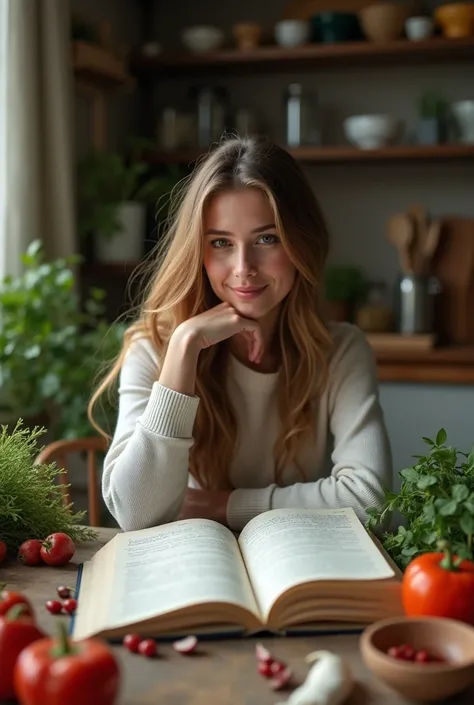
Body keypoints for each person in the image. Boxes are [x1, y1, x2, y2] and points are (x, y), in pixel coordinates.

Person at [88, 135, 393, 534]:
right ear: (198, 251)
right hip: (192, 566)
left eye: (267, 239)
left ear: (302, 241)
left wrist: (222, 505)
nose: (243, 267)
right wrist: (183, 349)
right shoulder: (154, 349)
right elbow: (135, 513)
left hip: (298, 560)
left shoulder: (341, 351)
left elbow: (371, 501)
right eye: (221, 243)